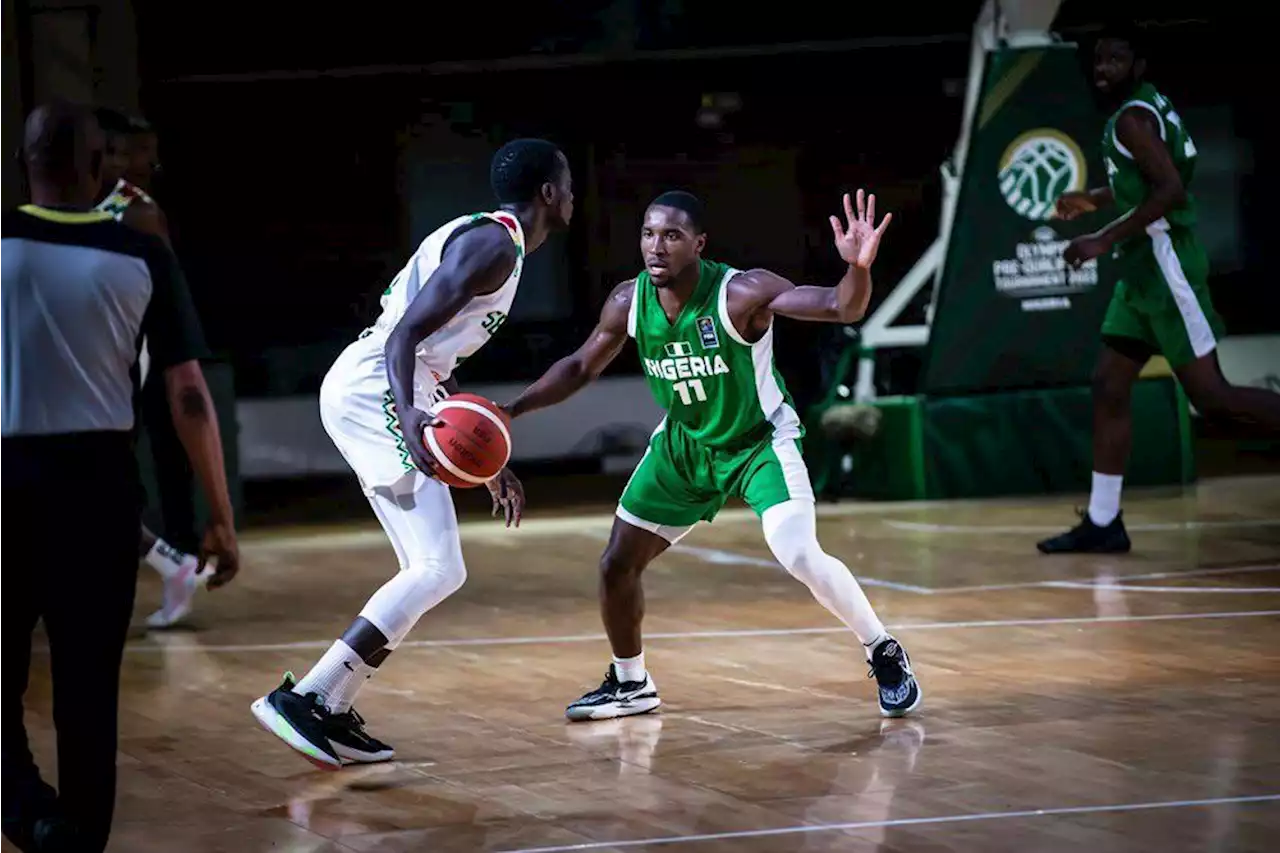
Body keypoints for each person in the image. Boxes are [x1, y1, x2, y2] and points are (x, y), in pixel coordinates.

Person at [503, 188, 922, 721]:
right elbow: (580, 366)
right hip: (685, 445)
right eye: (649, 234)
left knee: (797, 552)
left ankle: (882, 648)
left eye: (672, 236)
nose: (657, 247)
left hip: (758, 442)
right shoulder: (629, 301)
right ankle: (631, 684)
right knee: (616, 565)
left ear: (699, 244)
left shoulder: (741, 293)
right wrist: (511, 410)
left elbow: (843, 306)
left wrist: (858, 267)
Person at [250, 138, 574, 769]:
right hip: (378, 385)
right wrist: (406, 413)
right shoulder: (493, 245)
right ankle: (311, 699)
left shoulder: (496, 244)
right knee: (437, 567)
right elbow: (404, 337)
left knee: (429, 566)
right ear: (548, 193)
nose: (571, 198)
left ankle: (329, 703)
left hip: (389, 386)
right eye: (567, 186)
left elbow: (427, 358)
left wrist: (485, 460)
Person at [0, 102, 240, 853]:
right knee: (86, 694)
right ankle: (71, 834)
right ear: (102, 167)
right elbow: (190, 394)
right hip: (100, 486)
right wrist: (220, 514)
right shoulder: (142, 254)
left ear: (22, 165)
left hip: (4, 485)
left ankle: (30, 813)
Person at [1037, 21, 1280, 554]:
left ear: (1138, 65)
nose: (1103, 71)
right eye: (1099, 60)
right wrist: (1097, 198)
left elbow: (1169, 190)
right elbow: (1146, 180)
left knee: (1213, 398)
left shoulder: (1132, 120)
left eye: (1115, 60)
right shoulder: (1144, 109)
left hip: (1166, 267)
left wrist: (1099, 238)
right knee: (1109, 384)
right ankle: (1104, 521)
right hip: (1140, 272)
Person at [92, 107, 208, 627]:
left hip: (142, 362)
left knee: (138, 479)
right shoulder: (82, 206)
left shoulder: (135, 210)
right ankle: (172, 562)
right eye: (129, 150)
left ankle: (178, 561)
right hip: (99, 364)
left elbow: (165, 299)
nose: (141, 161)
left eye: (140, 151)